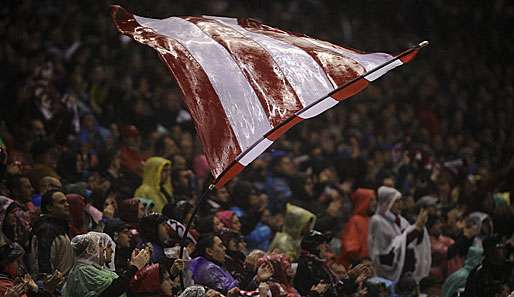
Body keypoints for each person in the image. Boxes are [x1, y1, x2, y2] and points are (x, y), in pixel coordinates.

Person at [368, 186, 431, 282]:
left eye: (400, 201)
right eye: (396, 201)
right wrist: (416, 228)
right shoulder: (377, 221)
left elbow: (410, 242)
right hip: (386, 269)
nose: (400, 205)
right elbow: (390, 248)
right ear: (387, 202)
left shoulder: (402, 221)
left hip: (404, 269)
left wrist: (420, 228)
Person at [63, 231, 151, 297]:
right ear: (89, 251)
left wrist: (133, 266)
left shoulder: (93, 269)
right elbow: (111, 292)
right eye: (101, 245)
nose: (110, 250)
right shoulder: (83, 270)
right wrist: (134, 267)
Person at [295, 230, 369, 297]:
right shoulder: (309, 265)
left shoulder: (317, 263)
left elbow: (334, 289)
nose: (326, 246)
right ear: (316, 247)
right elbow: (331, 291)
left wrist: (351, 280)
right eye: (323, 244)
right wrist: (349, 280)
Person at [30, 190, 74, 276]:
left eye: (67, 202)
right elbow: (43, 263)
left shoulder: (59, 226)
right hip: (54, 285)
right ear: (49, 207)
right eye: (62, 202)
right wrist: (47, 284)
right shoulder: (46, 230)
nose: (67, 205)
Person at [339, 188, 376, 267]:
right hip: (356, 265)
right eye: (371, 200)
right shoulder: (355, 220)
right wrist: (362, 260)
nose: (374, 203)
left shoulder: (370, 220)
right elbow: (350, 248)